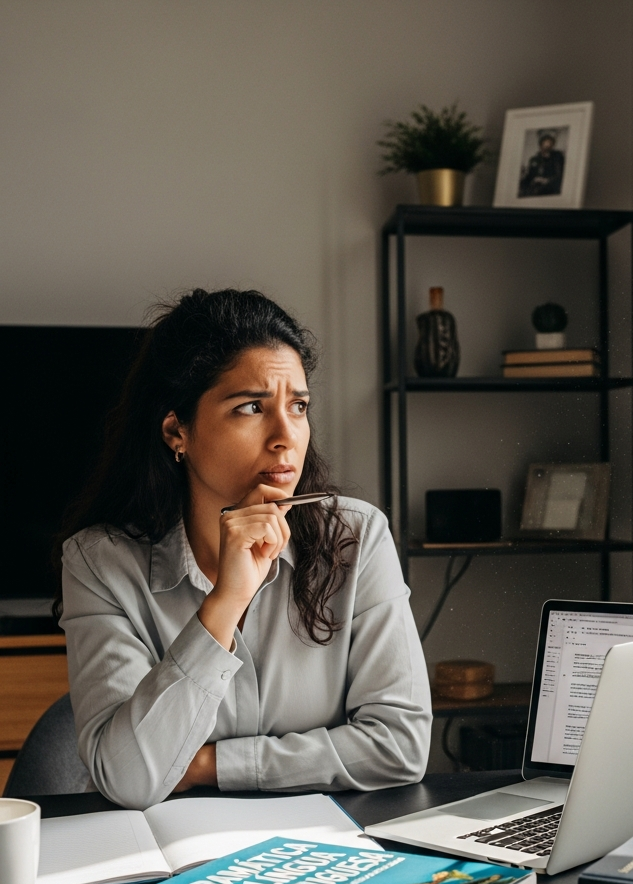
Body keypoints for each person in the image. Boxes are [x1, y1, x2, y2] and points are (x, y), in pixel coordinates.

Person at [56, 288, 431, 809]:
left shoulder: (358, 537)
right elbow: (129, 779)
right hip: (172, 861)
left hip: (328, 851)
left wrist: (208, 764)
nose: (285, 437)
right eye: (251, 406)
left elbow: (400, 746)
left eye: (298, 406)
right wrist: (226, 602)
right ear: (176, 431)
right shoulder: (98, 563)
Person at [518, 132, 566, 197]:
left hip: (550, 188)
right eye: (545, 143)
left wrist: (546, 180)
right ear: (540, 145)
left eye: (550, 144)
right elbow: (529, 176)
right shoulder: (534, 159)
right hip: (534, 187)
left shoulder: (557, 157)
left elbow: (561, 175)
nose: (548, 145)